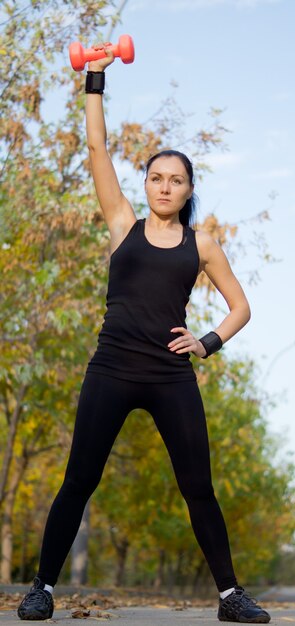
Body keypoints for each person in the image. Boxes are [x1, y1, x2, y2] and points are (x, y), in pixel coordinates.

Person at [17, 44, 271, 624]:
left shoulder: (200, 244)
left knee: (198, 487)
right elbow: (96, 149)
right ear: (147, 184)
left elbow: (241, 306)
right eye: (156, 177)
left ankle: (230, 596)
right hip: (111, 368)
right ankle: (43, 589)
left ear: (187, 189)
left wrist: (206, 342)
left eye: (175, 180)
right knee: (79, 478)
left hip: (169, 374)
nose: (163, 187)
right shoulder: (121, 224)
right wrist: (95, 81)